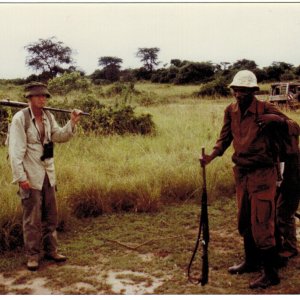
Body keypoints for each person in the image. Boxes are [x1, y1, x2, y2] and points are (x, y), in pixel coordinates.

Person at [200, 70, 299, 289]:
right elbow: (224, 138)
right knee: (244, 219)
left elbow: (295, 128)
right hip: (242, 172)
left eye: (244, 91)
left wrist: (276, 120)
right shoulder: (231, 111)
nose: (238, 94)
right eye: (236, 90)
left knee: (262, 221)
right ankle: (251, 262)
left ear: (252, 91)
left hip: (264, 172)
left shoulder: (265, 108)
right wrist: (211, 157)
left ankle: (271, 273)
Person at [8, 82, 81, 271]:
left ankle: (51, 250)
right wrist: (21, 177)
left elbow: (59, 136)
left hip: (48, 173)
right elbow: (15, 151)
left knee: (51, 216)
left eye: (45, 96)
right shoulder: (20, 119)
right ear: (29, 98)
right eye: (39, 96)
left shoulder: (48, 116)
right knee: (32, 219)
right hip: (30, 175)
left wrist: (72, 122)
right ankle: (32, 255)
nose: (43, 99)